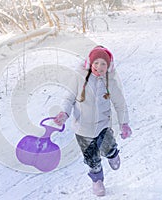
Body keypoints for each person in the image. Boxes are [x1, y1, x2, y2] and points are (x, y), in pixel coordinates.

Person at [54, 46, 132, 196]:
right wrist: (64, 113)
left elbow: (120, 103)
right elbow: (68, 97)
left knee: (107, 147)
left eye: (103, 64)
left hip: (103, 125)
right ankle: (97, 181)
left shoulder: (110, 82)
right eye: (96, 63)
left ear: (108, 66)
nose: (99, 67)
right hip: (82, 128)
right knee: (91, 158)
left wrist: (124, 123)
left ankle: (112, 153)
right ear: (90, 63)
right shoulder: (78, 78)